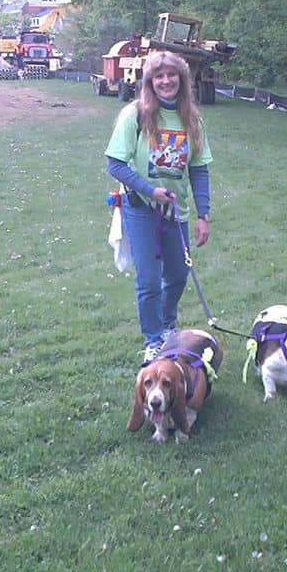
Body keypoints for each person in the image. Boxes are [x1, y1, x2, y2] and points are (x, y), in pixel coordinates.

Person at [105, 51, 213, 363]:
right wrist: (150, 190)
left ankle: (167, 325)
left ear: (182, 79)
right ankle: (154, 339)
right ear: (150, 81)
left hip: (176, 213)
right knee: (149, 280)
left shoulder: (192, 120)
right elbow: (115, 163)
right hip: (141, 209)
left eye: (171, 75)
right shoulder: (136, 114)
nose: (165, 81)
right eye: (158, 76)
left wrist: (203, 215)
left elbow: (199, 169)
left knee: (179, 274)